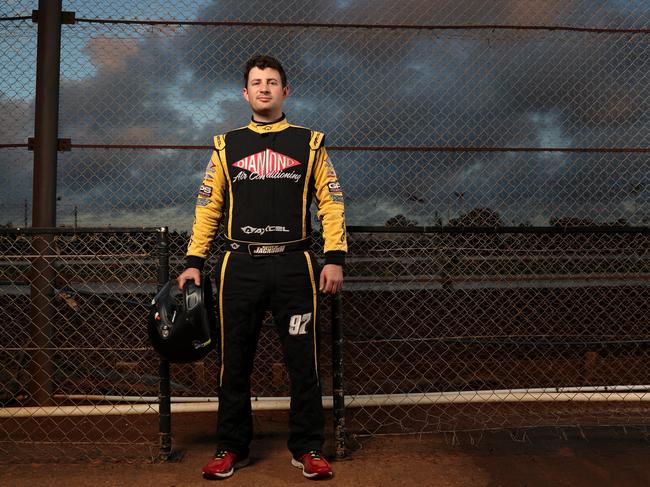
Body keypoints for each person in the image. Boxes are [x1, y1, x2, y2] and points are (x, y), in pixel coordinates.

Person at [177, 54, 347, 480]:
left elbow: (331, 203)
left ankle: (308, 448)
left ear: (285, 91)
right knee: (233, 362)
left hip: (296, 266)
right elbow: (207, 207)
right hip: (240, 266)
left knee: (302, 362)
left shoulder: (309, 143)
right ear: (245, 92)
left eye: (272, 82)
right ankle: (231, 448)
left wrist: (335, 258)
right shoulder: (226, 145)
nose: (265, 88)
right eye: (257, 82)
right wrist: (194, 261)